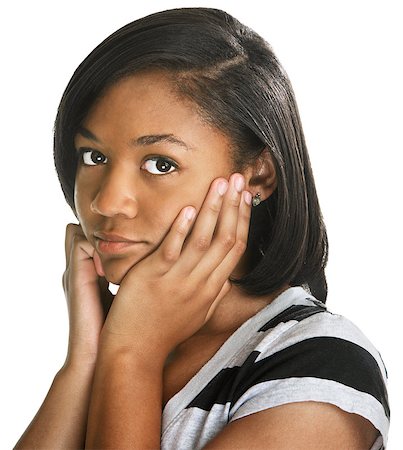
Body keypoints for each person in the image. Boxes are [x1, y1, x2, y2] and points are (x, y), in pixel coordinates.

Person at [15, 7, 389, 449]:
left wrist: (132, 354)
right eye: (93, 157)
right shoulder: (112, 344)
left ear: (258, 176)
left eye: (160, 163)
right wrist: (86, 360)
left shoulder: (323, 363)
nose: (105, 202)